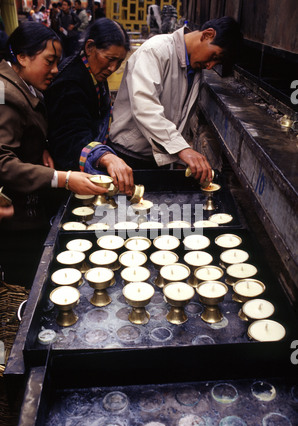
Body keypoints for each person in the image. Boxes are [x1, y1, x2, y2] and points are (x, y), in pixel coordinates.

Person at [0, 22, 108, 288]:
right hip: (16, 219)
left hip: (27, 212)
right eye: (49, 61)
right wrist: (64, 178)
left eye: (57, 62)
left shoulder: (22, 86)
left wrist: (40, 144)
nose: (56, 70)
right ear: (22, 57)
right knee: (25, 285)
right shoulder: (6, 95)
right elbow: (3, 163)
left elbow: (23, 129)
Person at [108, 16, 243, 184]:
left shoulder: (194, 68)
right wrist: (182, 149)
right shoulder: (156, 50)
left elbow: (182, 117)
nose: (210, 65)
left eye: (217, 62)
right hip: (128, 158)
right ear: (207, 35)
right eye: (214, 55)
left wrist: (180, 160)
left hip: (159, 158)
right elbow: (145, 107)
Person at [45, 18, 134, 196]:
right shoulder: (70, 82)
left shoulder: (92, 74)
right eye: (109, 59)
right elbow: (71, 134)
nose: (112, 68)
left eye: (119, 62)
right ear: (90, 47)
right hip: (65, 178)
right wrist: (105, 157)